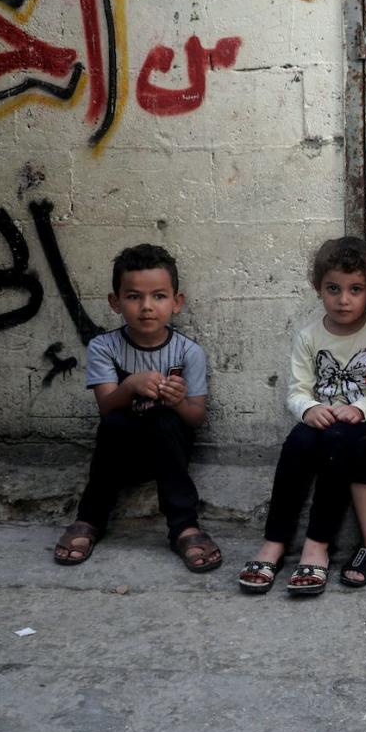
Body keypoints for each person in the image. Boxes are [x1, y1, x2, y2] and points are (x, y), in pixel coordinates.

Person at [53, 244, 220, 572]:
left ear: (176, 302)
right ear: (115, 302)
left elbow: (196, 417)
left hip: (169, 450)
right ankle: (89, 518)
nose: (146, 307)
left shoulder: (189, 353)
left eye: (158, 296)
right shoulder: (104, 347)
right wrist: (129, 386)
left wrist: (179, 402)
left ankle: (184, 526)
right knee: (115, 423)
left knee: (162, 419)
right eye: (133, 297)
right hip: (121, 452)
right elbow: (105, 407)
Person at [237, 237, 366, 596]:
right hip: (320, 424)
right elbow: (297, 390)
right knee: (297, 441)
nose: (343, 299)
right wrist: (309, 409)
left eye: (355, 289)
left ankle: (317, 544)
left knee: (338, 441)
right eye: (333, 289)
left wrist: (359, 408)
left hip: (362, 429)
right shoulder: (309, 336)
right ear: (318, 287)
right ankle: (274, 542)